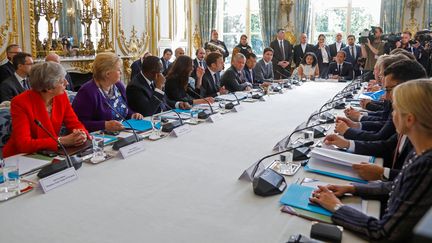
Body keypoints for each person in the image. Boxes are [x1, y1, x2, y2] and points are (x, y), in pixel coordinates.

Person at [311, 79, 432, 242]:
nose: (392, 114)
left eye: (395, 110)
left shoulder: (426, 165)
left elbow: (383, 233)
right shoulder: (420, 150)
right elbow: (398, 185)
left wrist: (336, 206)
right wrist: (354, 189)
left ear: (409, 119)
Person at [2, 62, 88, 158]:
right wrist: (61, 141)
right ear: (48, 88)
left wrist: (81, 134)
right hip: (22, 158)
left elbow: (74, 123)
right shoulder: (20, 103)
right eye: (61, 81)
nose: (66, 83)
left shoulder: (61, 96)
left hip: (51, 153)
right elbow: (24, 144)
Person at [72, 52, 143, 132]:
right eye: (118, 70)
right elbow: (79, 124)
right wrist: (104, 125)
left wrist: (133, 115)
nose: (121, 72)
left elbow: (124, 109)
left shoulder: (119, 86)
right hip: (100, 138)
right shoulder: (87, 92)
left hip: (123, 132)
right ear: (107, 74)